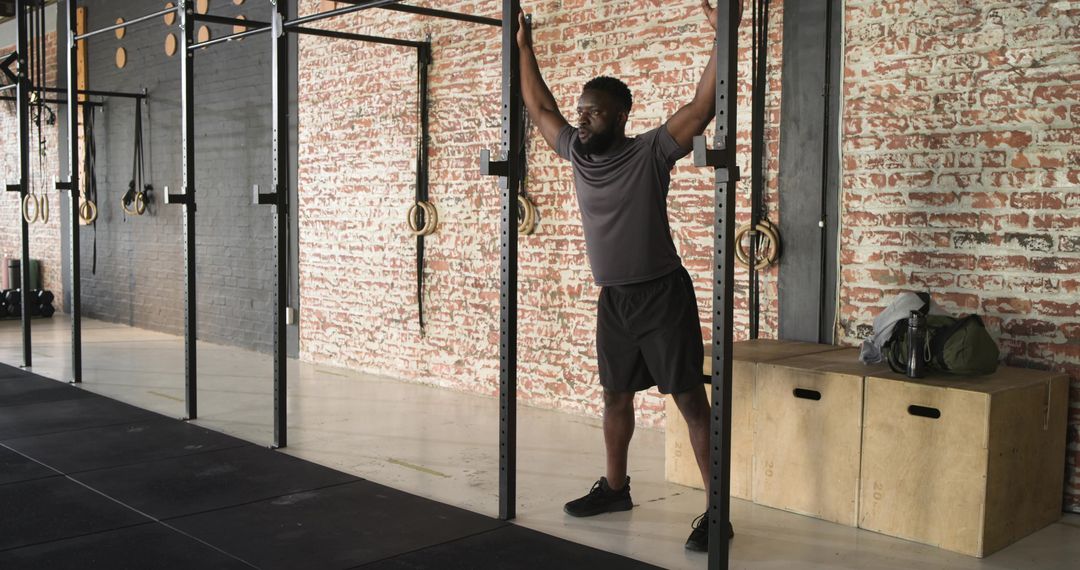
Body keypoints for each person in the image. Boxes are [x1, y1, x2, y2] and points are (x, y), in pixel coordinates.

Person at [516, 0, 741, 553]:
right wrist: (523, 48)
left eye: (593, 111)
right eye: (582, 110)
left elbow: (701, 106)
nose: (581, 117)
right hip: (614, 299)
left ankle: (718, 513)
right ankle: (616, 489)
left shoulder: (650, 152)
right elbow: (539, 106)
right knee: (615, 397)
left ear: (618, 116)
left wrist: (724, 37)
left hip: (662, 296)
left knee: (689, 401)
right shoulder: (577, 154)